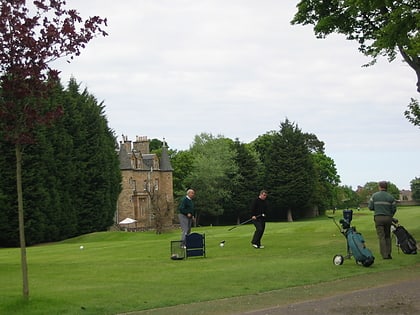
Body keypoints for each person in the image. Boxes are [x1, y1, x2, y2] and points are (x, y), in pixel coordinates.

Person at [368, 181, 397, 259]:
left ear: (380, 187)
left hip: (378, 218)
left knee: (381, 236)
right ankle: (389, 253)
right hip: (388, 218)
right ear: (386, 187)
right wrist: (390, 215)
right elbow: (394, 209)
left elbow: (370, 207)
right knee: (388, 236)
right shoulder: (391, 197)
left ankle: (384, 254)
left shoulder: (374, 196)